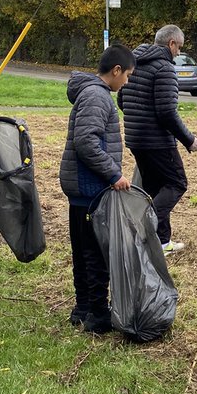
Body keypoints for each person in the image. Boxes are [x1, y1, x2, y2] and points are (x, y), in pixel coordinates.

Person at [59, 45, 135, 334]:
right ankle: (99, 313)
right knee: (94, 252)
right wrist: (114, 174)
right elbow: (86, 142)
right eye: (127, 76)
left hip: (82, 187)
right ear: (116, 71)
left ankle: (83, 308)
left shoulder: (90, 93)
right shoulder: (97, 96)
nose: (126, 82)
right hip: (90, 186)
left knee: (82, 250)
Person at [117, 24, 197, 253]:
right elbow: (167, 112)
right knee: (177, 183)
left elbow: (122, 101)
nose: (178, 53)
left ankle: (162, 242)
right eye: (179, 48)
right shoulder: (164, 68)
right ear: (171, 43)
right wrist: (189, 140)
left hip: (136, 139)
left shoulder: (134, 64)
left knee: (155, 189)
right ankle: (143, 224)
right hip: (157, 141)